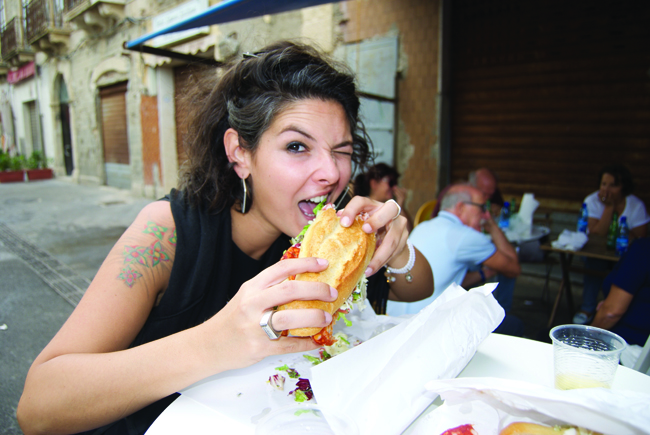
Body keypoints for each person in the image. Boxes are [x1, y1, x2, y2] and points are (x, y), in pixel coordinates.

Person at [17, 42, 433, 435]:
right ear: (239, 153)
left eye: (341, 150)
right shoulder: (166, 232)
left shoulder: (317, 243)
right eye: (296, 146)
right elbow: (38, 406)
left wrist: (394, 252)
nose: (331, 172)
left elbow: (420, 288)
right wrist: (217, 342)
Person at [386, 184, 520, 325]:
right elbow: (513, 269)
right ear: (461, 207)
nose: (485, 214)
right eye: (482, 208)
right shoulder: (465, 236)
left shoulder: (424, 226)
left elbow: (443, 278)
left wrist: (484, 273)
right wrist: (492, 225)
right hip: (424, 324)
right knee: (515, 325)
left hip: (395, 317)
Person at [573, 164, 649, 324]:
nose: (606, 189)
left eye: (613, 185)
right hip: (597, 253)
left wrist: (619, 221)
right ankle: (588, 308)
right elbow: (595, 233)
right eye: (603, 184)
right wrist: (609, 207)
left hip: (625, 256)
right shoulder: (592, 200)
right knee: (594, 263)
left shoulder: (636, 205)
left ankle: (615, 308)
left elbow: (640, 239)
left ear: (624, 187)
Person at [591, 237, 650, 368]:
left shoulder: (644, 249)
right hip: (640, 352)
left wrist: (588, 335)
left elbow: (611, 313)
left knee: (547, 338)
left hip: (629, 351)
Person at [353, 163, 413, 230]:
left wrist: (400, 207)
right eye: (391, 183)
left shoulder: (390, 207)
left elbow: (409, 232)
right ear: (374, 183)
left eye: (396, 183)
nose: (394, 187)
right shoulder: (362, 209)